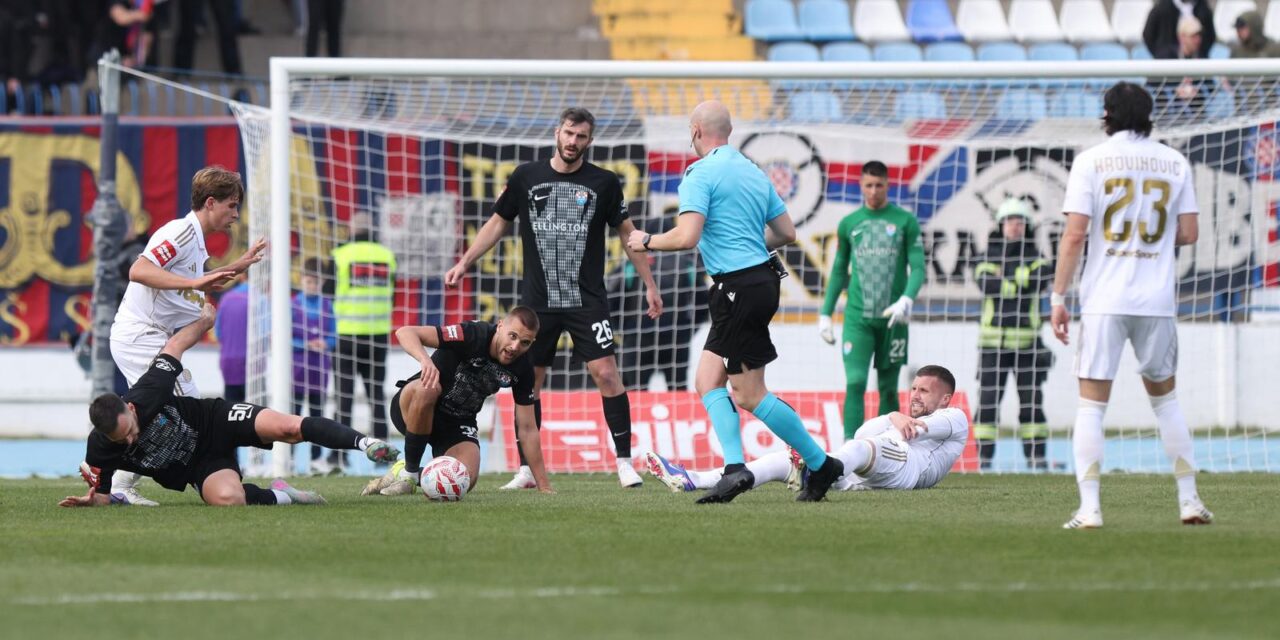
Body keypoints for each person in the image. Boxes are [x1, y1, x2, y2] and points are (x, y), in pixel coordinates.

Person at [625, 100, 843, 504]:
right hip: (759, 282)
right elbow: (787, 232)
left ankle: (817, 462)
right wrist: (747, 246)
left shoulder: (699, 173)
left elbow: (687, 236)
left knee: (748, 394)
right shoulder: (753, 171)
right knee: (708, 380)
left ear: (695, 131)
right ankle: (737, 467)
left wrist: (647, 240)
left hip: (737, 289)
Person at [444, 107, 662, 489]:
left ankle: (625, 463)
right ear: (556, 133)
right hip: (537, 305)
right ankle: (527, 470)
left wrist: (650, 283)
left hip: (587, 300)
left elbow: (629, 234)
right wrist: (464, 262)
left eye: (581, 137)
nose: (573, 142)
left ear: (590, 141)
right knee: (530, 381)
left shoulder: (606, 183)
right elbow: (497, 222)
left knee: (607, 374)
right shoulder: (526, 177)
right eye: (568, 134)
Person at [1050, 81, 1213, 529]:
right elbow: (1189, 232)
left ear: (1108, 114)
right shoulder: (1174, 161)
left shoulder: (1091, 161)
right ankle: (1189, 499)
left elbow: (1075, 234)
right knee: (1166, 402)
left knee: (1091, 406)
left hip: (1105, 299)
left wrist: (1058, 296)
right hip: (1156, 299)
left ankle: (1090, 509)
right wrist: (1153, 240)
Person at [61, 302, 399, 508]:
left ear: (130, 410)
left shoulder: (146, 392)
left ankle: (365, 443)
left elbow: (175, 344)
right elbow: (102, 495)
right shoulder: (100, 449)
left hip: (214, 420)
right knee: (229, 500)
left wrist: (204, 323)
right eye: (123, 441)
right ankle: (286, 494)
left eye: (131, 431)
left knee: (288, 428)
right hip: (198, 465)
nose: (131, 441)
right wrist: (91, 501)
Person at [108, 165, 266, 506]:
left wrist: (238, 265)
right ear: (211, 203)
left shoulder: (194, 241)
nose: (236, 215)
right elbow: (139, 270)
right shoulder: (179, 232)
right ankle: (211, 476)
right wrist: (195, 284)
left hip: (148, 337)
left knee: (164, 410)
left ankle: (117, 476)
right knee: (186, 408)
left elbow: (194, 283)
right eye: (232, 205)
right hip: (141, 336)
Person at [645, 366, 967, 495]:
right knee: (783, 461)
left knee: (868, 447)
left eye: (924, 391)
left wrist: (896, 418)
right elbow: (862, 431)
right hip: (868, 478)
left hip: (910, 470)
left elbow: (919, 429)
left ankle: (820, 471)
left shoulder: (955, 418)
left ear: (945, 398)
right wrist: (894, 416)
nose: (915, 395)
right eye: (913, 388)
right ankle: (696, 480)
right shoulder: (897, 420)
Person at [362, 306, 553, 496]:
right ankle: (411, 472)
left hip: (458, 422)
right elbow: (405, 332)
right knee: (429, 387)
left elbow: (528, 428)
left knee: (465, 479)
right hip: (415, 407)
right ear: (500, 326)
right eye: (512, 336)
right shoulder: (472, 334)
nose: (515, 347)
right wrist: (425, 361)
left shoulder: (524, 367)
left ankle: (402, 472)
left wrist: (544, 486)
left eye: (525, 343)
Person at [818, 160, 925, 440]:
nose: (874, 191)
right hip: (858, 319)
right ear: (861, 186)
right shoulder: (849, 224)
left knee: (888, 388)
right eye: (869, 185)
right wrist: (825, 313)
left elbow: (919, 267)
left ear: (888, 185)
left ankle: (888, 447)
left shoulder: (905, 221)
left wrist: (907, 299)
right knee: (855, 382)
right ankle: (849, 450)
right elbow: (840, 270)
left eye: (879, 185)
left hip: (894, 320)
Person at [972, 198, 1053, 471]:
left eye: (1020, 222)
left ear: (1027, 226)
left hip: (1027, 344)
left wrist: (1008, 279)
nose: (1015, 226)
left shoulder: (1036, 256)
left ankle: (1036, 458)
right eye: (1010, 221)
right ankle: (983, 461)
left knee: (1032, 403)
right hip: (991, 345)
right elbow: (986, 283)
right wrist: (1018, 280)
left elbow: (1039, 279)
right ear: (1001, 224)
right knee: (987, 404)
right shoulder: (987, 254)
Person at [330, 211, 396, 458]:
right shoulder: (387, 256)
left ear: (351, 230)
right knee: (376, 397)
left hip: (346, 335)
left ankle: (338, 454)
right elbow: (393, 293)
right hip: (377, 335)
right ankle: (384, 454)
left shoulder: (341, 256)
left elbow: (328, 293)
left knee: (343, 398)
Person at [293, 257, 337, 474]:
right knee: (294, 415)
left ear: (321, 283)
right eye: (308, 282)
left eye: (315, 283)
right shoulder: (293, 305)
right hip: (297, 370)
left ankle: (316, 460)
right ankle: (289, 459)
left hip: (319, 370)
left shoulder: (327, 306)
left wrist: (325, 343)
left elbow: (333, 337)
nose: (312, 286)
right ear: (301, 281)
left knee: (318, 415)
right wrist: (305, 344)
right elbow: (283, 338)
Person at [1144, 0, 1215, 59]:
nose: (1197, 40)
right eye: (1193, 36)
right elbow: (1148, 35)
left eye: (1198, 36)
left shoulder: (1203, 8)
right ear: (1182, 37)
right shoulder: (1162, 8)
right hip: (1167, 63)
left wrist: (1201, 53)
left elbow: (1210, 36)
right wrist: (1160, 54)